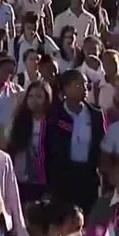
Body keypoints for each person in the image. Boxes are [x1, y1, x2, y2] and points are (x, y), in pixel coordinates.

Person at [45, 69, 106, 214]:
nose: (84, 89)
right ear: (65, 89)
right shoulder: (55, 114)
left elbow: (100, 144)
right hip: (63, 177)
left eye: (85, 85)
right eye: (78, 85)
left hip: (88, 176)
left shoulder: (95, 114)